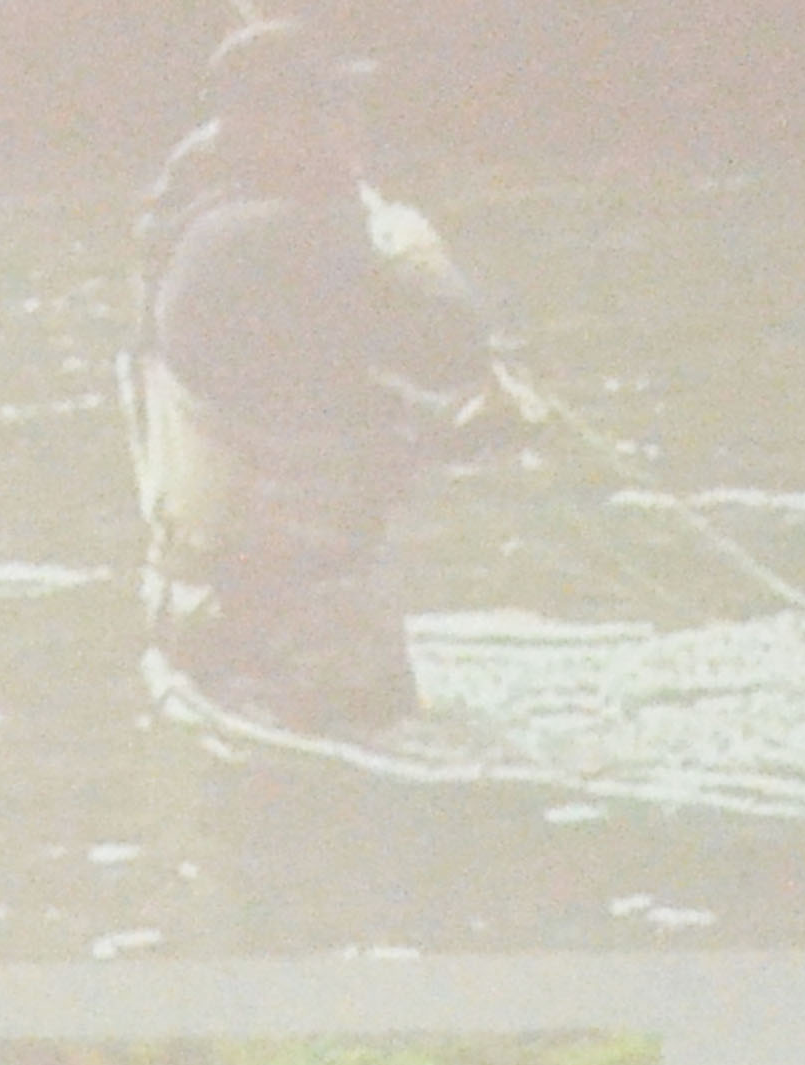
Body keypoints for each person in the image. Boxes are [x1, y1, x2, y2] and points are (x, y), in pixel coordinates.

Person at [128, 18, 515, 732]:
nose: (349, 129)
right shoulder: (290, 240)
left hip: (199, 631)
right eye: (321, 111)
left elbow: (317, 395)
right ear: (258, 131)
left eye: (340, 108)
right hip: (307, 640)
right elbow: (452, 345)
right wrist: (408, 239)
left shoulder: (191, 229)